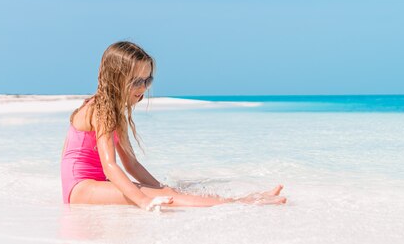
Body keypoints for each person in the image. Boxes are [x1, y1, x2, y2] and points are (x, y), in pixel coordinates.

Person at [61, 41, 286, 211]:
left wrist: (160, 187)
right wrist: (144, 201)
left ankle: (242, 200)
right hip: (80, 188)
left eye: (148, 80)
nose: (144, 87)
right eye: (137, 81)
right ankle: (242, 204)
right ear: (116, 79)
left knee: (167, 192)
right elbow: (110, 165)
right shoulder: (100, 109)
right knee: (168, 199)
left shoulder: (115, 112)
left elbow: (131, 163)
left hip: (91, 184)